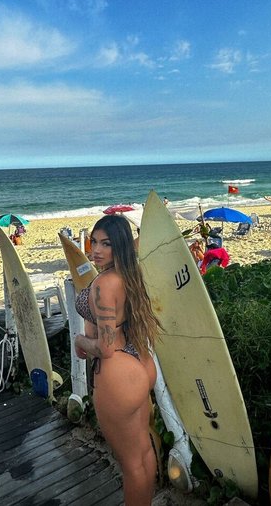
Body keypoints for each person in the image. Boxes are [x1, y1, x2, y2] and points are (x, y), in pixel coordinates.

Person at [74, 215, 162, 505]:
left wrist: (80, 341)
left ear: (119, 245)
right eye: (94, 242)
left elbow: (106, 347)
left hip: (118, 373)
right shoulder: (130, 275)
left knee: (131, 464)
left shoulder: (104, 283)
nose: (96, 250)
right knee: (143, 452)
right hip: (140, 363)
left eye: (106, 244)